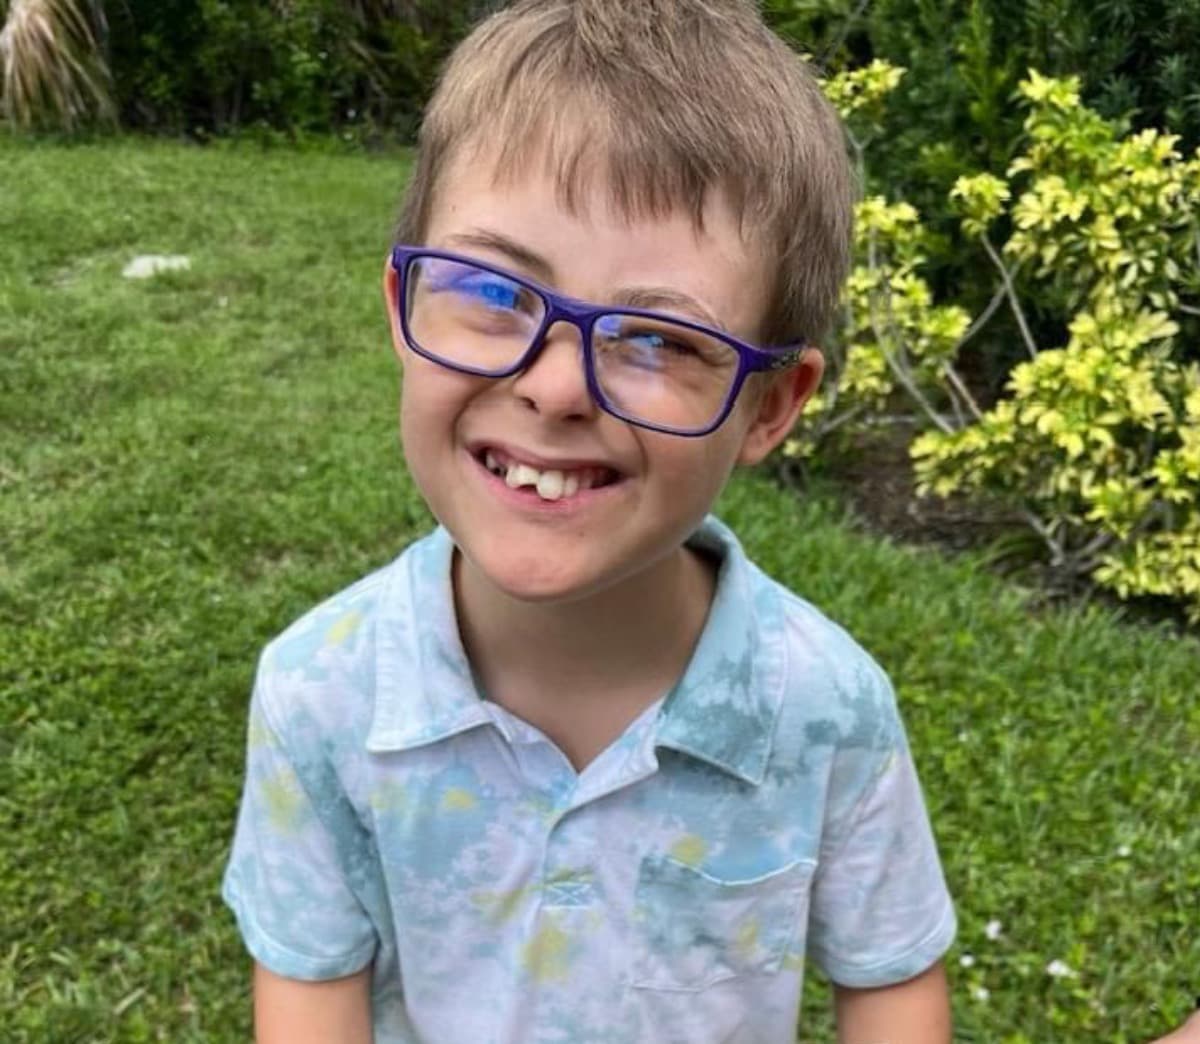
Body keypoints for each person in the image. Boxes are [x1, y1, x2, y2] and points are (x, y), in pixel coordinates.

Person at [221, 1, 957, 1040]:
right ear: (401, 304)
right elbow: (310, 995)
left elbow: (889, 980)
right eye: (492, 291)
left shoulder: (827, 707)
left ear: (769, 405)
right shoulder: (321, 692)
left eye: (660, 340)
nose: (556, 387)